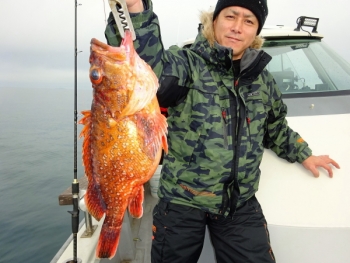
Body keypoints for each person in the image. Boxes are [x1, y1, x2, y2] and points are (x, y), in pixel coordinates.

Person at [105, 0, 340, 262]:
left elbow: (274, 127)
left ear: (255, 31)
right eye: (231, 16)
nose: (238, 27)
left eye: (249, 21)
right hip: (182, 201)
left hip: (238, 203)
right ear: (214, 21)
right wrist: (135, 10)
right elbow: (145, 68)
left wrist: (304, 154)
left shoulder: (262, 80)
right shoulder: (187, 64)